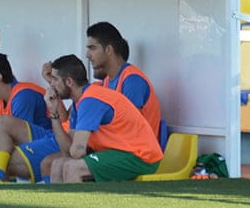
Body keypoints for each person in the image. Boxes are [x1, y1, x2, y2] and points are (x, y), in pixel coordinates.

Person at [43, 54, 162, 183]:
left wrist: (76, 150)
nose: (51, 84)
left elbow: (77, 151)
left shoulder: (91, 100)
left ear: (69, 82)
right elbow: (67, 151)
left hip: (140, 157)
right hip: (118, 153)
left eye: (55, 79)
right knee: (57, 164)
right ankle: (59, 203)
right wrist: (53, 113)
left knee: (72, 167)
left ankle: (76, 203)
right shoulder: (79, 102)